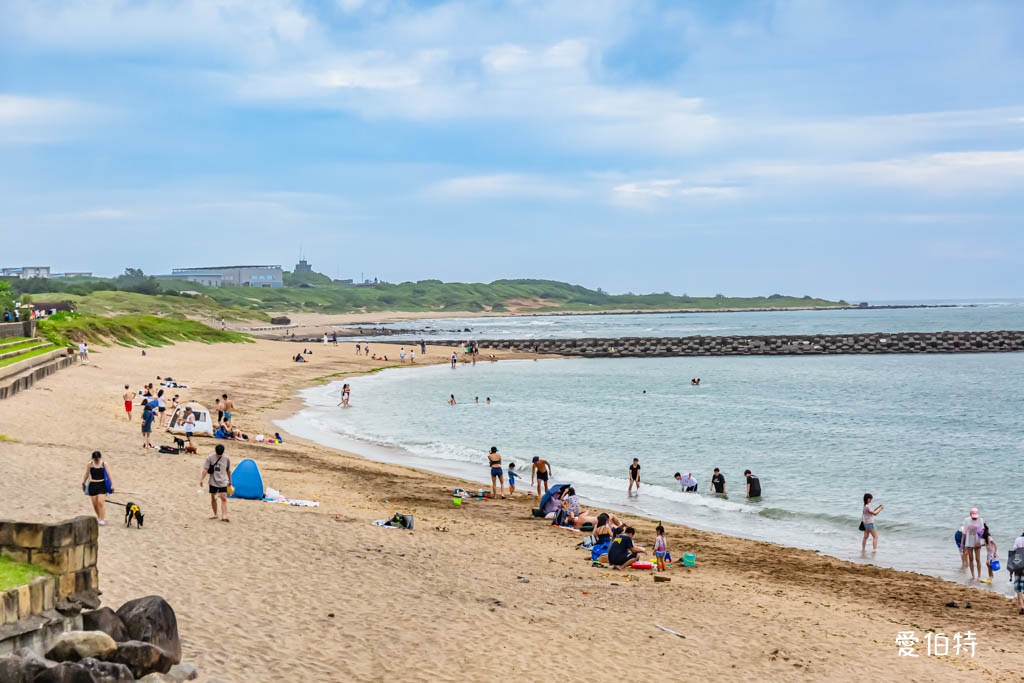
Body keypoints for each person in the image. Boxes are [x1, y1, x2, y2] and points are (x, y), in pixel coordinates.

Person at [200, 444, 232, 522]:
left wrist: (230, 480)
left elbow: (228, 470)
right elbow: (205, 469)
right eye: (218, 454)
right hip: (213, 481)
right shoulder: (210, 458)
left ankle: (224, 516)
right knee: (213, 498)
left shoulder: (227, 458)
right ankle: (215, 514)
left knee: (223, 498)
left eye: (220, 454)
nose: (219, 455)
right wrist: (201, 479)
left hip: (223, 482)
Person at [81, 451, 110, 526]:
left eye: (97, 459)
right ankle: (99, 517)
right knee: (95, 504)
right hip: (93, 485)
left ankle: (102, 519)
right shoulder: (90, 464)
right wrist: (83, 483)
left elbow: (109, 475)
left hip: (102, 484)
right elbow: (86, 474)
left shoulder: (104, 464)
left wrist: (112, 485)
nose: (96, 460)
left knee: (100, 503)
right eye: (95, 459)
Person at [961, 507, 985, 580]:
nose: (974, 518)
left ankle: (979, 575)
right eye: (973, 517)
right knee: (971, 559)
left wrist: (979, 542)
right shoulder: (966, 520)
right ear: (970, 514)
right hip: (969, 542)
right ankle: (973, 575)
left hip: (977, 542)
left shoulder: (980, 520)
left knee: (978, 559)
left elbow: (982, 532)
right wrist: (962, 544)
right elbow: (964, 532)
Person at [1011, 529, 1024, 614]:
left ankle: (1022, 606)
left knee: (1018, 586)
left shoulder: (1018, 539)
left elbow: (1015, 552)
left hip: (1019, 564)